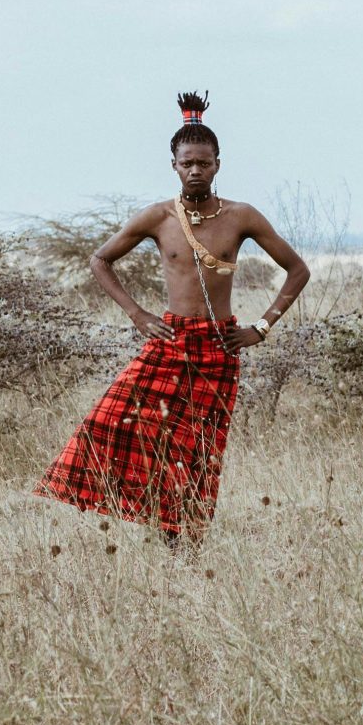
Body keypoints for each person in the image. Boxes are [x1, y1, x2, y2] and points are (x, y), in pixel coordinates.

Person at [34, 92, 310, 542]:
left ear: (218, 165)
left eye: (204, 162)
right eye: (187, 163)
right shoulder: (158, 217)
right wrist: (137, 314)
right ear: (174, 166)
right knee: (112, 427)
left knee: (200, 452)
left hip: (219, 347)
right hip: (169, 341)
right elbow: (100, 260)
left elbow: (298, 270)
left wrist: (261, 327)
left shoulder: (242, 216)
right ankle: (160, 524)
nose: (195, 170)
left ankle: (187, 542)